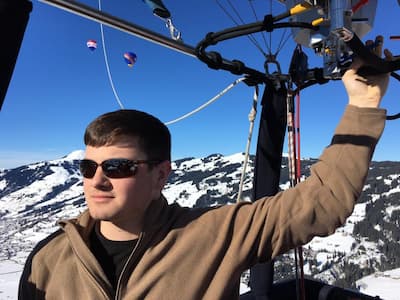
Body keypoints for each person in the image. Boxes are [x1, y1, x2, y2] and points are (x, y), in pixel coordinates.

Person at [19, 40, 391, 299]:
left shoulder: (213, 235)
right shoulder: (48, 260)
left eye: (117, 167)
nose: (96, 180)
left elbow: (320, 203)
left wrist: (363, 104)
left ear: (160, 175)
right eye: (87, 166)